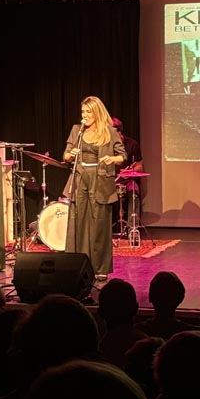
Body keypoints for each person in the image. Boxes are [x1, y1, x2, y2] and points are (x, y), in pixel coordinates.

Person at [63, 96, 126, 281]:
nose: (84, 115)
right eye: (83, 112)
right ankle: (77, 264)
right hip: (80, 179)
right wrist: (70, 154)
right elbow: (65, 155)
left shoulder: (109, 132)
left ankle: (100, 267)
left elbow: (122, 155)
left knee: (99, 224)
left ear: (97, 112)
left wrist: (112, 159)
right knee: (78, 222)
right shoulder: (77, 130)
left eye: (88, 112)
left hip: (101, 180)